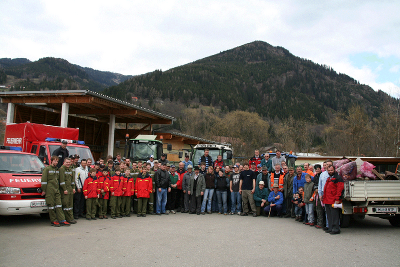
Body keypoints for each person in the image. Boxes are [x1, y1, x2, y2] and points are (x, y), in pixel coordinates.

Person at [41, 156, 70, 227]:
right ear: (51, 161)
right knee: (51, 205)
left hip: (56, 189)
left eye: (57, 161)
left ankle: (62, 220)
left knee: (59, 205)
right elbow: (44, 180)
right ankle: (53, 220)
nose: (56, 162)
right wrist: (44, 190)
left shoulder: (57, 169)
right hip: (49, 189)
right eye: (55, 161)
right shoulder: (47, 169)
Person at [323, 165, 344, 235]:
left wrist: (337, 199)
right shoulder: (329, 178)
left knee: (335, 216)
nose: (330, 172)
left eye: (331, 170)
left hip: (333, 200)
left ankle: (336, 229)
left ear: (334, 170)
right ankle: (331, 228)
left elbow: (339, 190)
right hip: (327, 200)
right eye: (329, 170)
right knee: (329, 215)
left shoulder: (338, 178)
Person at [59, 158, 76, 224]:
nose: (68, 163)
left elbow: (72, 180)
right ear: (64, 162)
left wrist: (73, 188)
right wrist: (64, 189)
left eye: (69, 162)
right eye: (67, 162)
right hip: (65, 189)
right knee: (66, 204)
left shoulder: (70, 169)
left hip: (70, 189)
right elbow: (62, 181)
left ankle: (71, 218)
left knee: (70, 204)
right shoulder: (62, 169)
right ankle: (66, 218)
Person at [312, 164, 324, 228]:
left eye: (318, 169)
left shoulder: (321, 176)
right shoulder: (315, 176)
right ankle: (317, 221)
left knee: (319, 209)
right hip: (316, 194)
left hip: (320, 194)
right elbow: (314, 184)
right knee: (316, 208)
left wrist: (318, 190)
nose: (317, 170)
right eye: (316, 169)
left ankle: (320, 223)